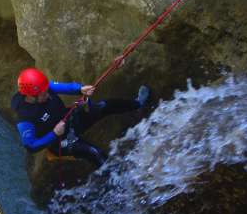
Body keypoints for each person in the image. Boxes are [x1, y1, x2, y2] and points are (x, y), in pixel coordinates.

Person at [11, 68, 150, 167]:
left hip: (70, 120)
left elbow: (64, 87)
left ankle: (137, 104)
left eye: (47, 91)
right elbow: (31, 146)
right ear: (30, 97)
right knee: (95, 154)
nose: (47, 94)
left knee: (104, 105)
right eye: (43, 94)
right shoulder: (25, 119)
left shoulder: (42, 88)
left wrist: (80, 89)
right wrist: (54, 134)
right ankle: (119, 179)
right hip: (60, 141)